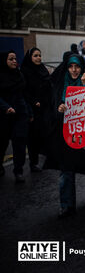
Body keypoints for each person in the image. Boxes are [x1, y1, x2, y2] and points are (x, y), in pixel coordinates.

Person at [43, 52, 85, 217]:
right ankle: (66, 205)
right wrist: (59, 109)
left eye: (77, 67)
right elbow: (52, 107)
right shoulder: (60, 84)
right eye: (71, 67)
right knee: (66, 170)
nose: (74, 70)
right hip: (66, 135)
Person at [0, 51, 31, 182]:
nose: (14, 61)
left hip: (20, 114)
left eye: (15, 58)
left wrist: (28, 112)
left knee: (20, 144)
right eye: (10, 59)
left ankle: (18, 171)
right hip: (4, 116)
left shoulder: (19, 75)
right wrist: (6, 107)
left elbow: (24, 95)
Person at [21, 47, 52, 173]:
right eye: (35, 56)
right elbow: (24, 90)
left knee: (44, 134)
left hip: (45, 108)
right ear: (30, 58)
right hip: (32, 110)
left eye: (39, 55)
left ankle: (46, 158)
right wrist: (33, 101)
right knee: (32, 137)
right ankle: (33, 163)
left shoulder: (43, 70)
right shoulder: (25, 72)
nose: (38, 58)